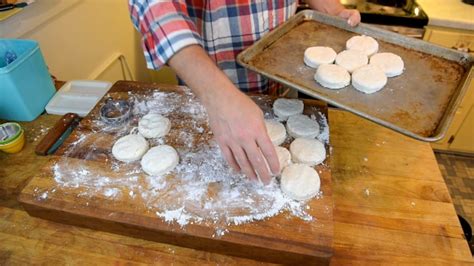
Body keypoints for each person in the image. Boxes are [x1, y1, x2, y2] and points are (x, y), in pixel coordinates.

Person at [129, 1, 360, 184]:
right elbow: (151, 4)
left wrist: (331, 9)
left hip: (284, 87)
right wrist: (217, 96)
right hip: (210, 99)